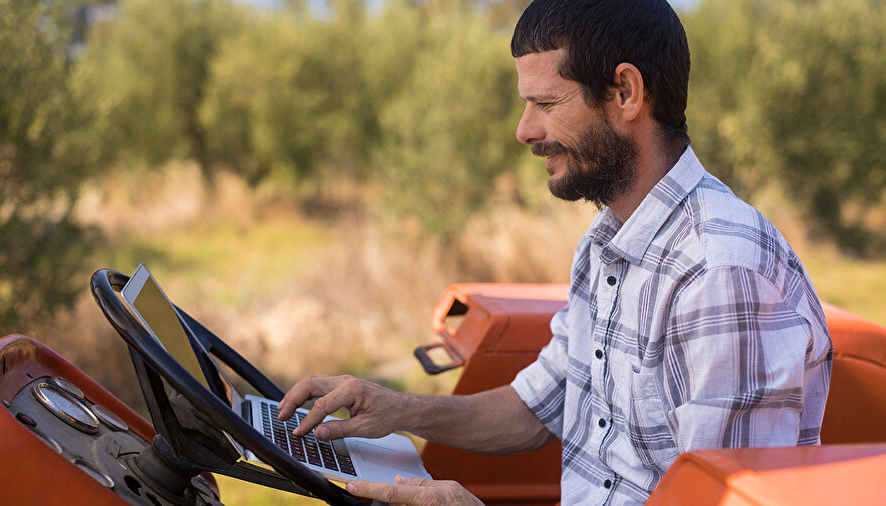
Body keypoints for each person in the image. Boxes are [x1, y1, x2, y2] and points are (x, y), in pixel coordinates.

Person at [278, 0, 833, 504]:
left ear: (626, 93)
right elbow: (533, 410)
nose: (524, 130)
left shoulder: (719, 272)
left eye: (545, 102)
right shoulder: (605, 243)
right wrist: (396, 409)